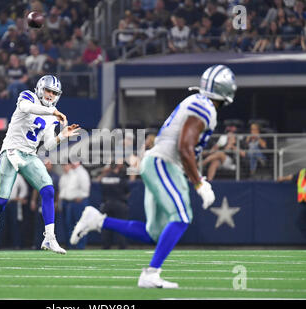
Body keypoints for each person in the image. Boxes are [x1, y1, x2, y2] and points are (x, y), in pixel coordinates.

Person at [70, 65, 237, 288]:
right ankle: (151, 273)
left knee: (155, 234)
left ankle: (98, 220)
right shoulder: (204, 106)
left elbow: (184, 148)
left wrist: (196, 178)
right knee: (182, 216)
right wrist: (199, 184)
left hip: (160, 163)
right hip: (163, 163)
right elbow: (185, 147)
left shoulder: (197, 101)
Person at [0, 75, 81, 254]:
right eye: (48, 90)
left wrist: (62, 136)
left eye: (54, 92)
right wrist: (53, 112)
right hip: (11, 149)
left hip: (30, 154)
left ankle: (49, 238)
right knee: (1, 201)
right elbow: (27, 108)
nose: (50, 95)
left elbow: (47, 145)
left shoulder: (53, 116)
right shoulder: (28, 96)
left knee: (48, 190)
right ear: (40, 89)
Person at [0, 171, 28, 250]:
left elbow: (24, 188)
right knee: (0, 223)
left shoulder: (17, 176)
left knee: (14, 223)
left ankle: (16, 244)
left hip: (13, 202)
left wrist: (20, 197)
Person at [96, 163, 130, 249]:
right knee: (121, 226)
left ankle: (106, 246)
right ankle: (122, 246)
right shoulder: (120, 178)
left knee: (106, 226)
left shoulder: (105, 178)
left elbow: (98, 183)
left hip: (107, 204)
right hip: (119, 204)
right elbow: (127, 190)